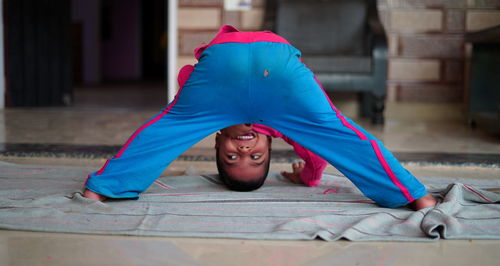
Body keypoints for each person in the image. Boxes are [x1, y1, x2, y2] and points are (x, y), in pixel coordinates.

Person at [83, 25, 436, 210]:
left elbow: (160, 133)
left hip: (225, 61)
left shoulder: (206, 116)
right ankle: (414, 195)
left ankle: (103, 188)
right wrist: (309, 177)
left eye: (234, 157)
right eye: (254, 158)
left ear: (217, 141)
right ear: (270, 143)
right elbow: (319, 152)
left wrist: (190, 96)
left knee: (165, 131)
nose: (243, 147)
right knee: (338, 133)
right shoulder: (289, 124)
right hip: (276, 63)